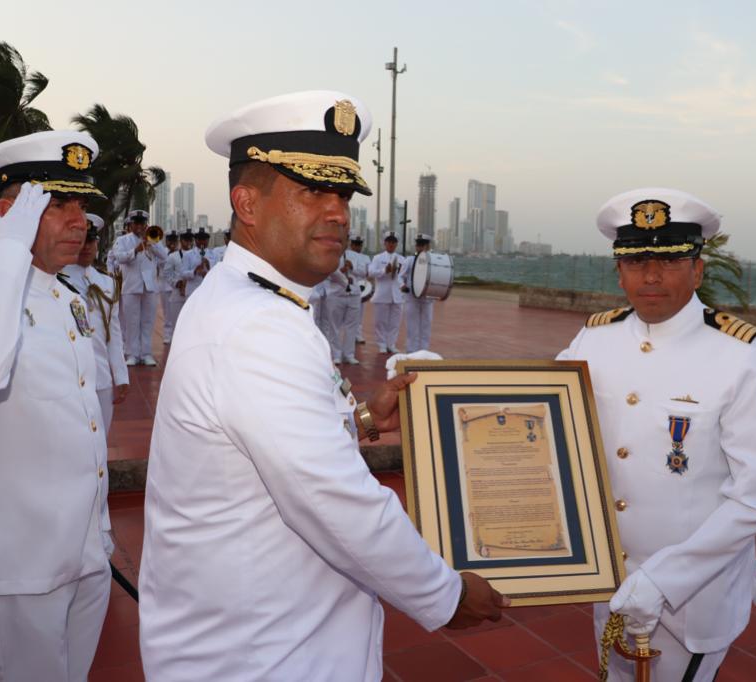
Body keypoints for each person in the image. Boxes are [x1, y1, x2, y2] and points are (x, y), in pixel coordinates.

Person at [139, 90, 507, 681]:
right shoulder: (258, 325)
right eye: (312, 191)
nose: (337, 213)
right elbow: (334, 499)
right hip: (264, 657)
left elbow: (267, 446)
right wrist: (446, 594)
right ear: (246, 203)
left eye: (343, 195)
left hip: (265, 637)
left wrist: (362, 419)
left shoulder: (254, 302)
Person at [557, 188, 756, 682]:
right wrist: (443, 387)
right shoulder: (594, 339)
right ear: (619, 272)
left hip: (692, 599)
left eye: (669, 261)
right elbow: (541, 413)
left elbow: (753, 499)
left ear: (697, 270)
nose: (651, 276)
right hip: (611, 582)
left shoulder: (742, 355)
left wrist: (663, 580)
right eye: (636, 262)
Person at [0, 131, 113, 682]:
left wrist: (100, 533)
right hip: (18, 562)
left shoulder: (65, 295)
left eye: (83, 205)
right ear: (11, 213)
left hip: (82, 549)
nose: (80, 222)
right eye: (58, 204)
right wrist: (4, 244)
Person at [62, 214, 130, 432]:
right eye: (81, 241)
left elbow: (114, 333)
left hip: (101, 377)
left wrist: (120, 375)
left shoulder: (107, 282)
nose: (86, 247)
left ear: (97, 244)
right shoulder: (57, 280)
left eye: (90, 241)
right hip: (69, 376)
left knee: (102, 436)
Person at [112, 208, 167, 366]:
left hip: (149, 287)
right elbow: (119, 257)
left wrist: (152, 244)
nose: (139, 226)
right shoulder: (122, 240)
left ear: (146, 224)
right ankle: (132, 354)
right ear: (131, 224)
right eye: (136, 223)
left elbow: (164, 256)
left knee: (147, 322)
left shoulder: (153, 239)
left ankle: (146, 354)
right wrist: (135, 250)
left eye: (142, 223)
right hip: (131, 286)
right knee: (131, 323)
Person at [326, 231, 369, 364]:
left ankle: (349, 354)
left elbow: (365, 272)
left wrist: (352, 267)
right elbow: (328, 273)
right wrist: (342, 273)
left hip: (354, 294)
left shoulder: (358, 256)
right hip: (336, 294)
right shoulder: (332, 253)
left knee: (352, 326)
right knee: (335, 326)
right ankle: (336, 355)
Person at [369, 231, 406, 353]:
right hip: (382, 294)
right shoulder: (378, 258)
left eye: (393, 242)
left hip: (397, 295)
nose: (391, 244)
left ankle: (391, 344)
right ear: (384, 243)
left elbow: (404, 276)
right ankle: (382, 344)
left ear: (397, 244)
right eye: (389, 241)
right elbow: (371, 272)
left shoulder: (402, 259)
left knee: (395, 322)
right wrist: (384, 270)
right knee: (381, 321)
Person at [400, 233, 435, 352]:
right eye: (418, 245)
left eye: (423, 245)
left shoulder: (432, 261)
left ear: (428, 246)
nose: (420, 247)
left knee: (426, 326)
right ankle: (411, 352)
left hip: (427, 299)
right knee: (412, 327)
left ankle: (424, 351)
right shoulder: (409, 260)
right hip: (412, 297)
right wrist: (402, 285)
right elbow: (400, 276)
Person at [349, 232, 371, 344]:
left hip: (360, 288)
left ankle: (357, 334)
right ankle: (349, 335)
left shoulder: (366, 258)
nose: (357, 246)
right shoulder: (346, 254)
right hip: (347, 287)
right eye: (355, 244)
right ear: (351, 244)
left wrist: (353, 269)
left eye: (359, 244)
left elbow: (367, 273)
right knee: (347, 314)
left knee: (359, 313)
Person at [159, 230, 180, 344]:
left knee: (179, 313)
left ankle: (178, 335)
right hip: (165, 287)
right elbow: (159, 264)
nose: (172, 242)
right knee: (167, 314)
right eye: (170, 240)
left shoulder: (181, 252)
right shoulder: (162, 252)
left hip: (178, 288)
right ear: (166, 241)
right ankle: (168, 335)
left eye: (174, 240)